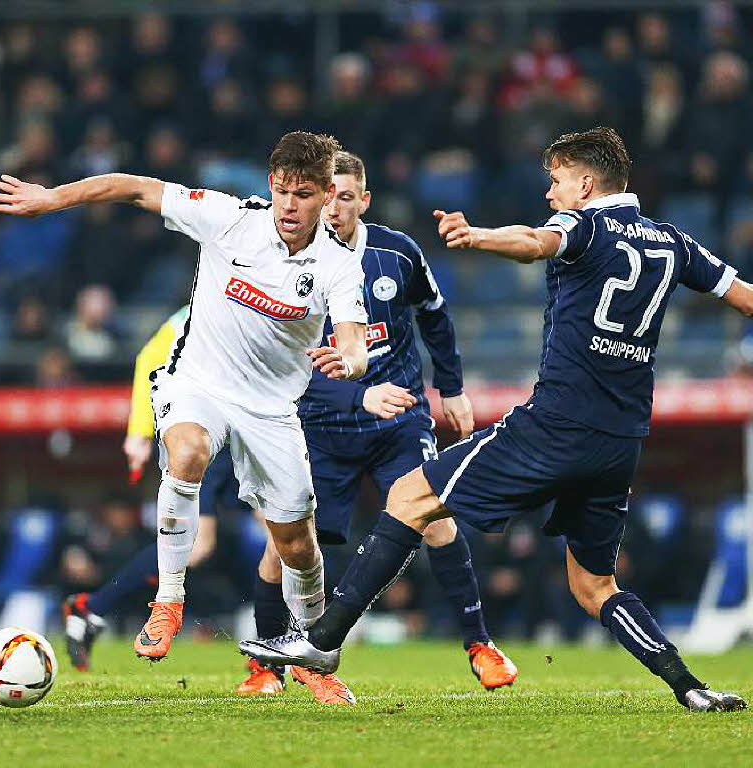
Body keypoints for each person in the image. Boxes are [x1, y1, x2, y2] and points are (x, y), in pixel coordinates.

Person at [241, 126, 751, 713]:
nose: (551, 194)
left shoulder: (584, 226)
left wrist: (477, 235)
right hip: (622, 440)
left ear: (587, 184)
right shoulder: (675, 242)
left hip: (555, 425)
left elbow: (537, 242)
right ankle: (691, 688)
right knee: (594, 586)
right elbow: (743, 296)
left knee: (410, 496)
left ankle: (322, 641)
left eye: (557, 182)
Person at [0, 131, 368, 663]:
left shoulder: (339, 262)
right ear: (270, 185)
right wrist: (52, 198)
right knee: (187, 452)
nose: (289, 204)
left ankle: (318, 655)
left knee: (298, 546)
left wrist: (349, 361)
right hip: (199, 383)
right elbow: (134, 187)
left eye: (303, 194)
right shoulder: (231, 218)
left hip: (271, 410)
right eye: (282, 190)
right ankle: (167, 601)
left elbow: (353, 337)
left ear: (327, 195)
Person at [236, 152, 517, 706]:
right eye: (328, 194)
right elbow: (285, 369)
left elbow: (435, 315)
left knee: (435, 517)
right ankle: (266, 658)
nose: (336, 207)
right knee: (287, 543)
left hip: (398, 421)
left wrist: (452, 388)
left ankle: (479, 644)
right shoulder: (287, 266)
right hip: (321, 425)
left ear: (364, 201)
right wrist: (359, 394)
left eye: (347, 197)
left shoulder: (397, 254)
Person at [62, 305, 250, 671]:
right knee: (199, 545)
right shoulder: (218, 291)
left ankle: (280, 645)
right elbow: (150, 355)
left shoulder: (289, 283)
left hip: (253, 421)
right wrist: (139, 429)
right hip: (209, 426)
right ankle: (90, 608)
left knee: (283, 529)